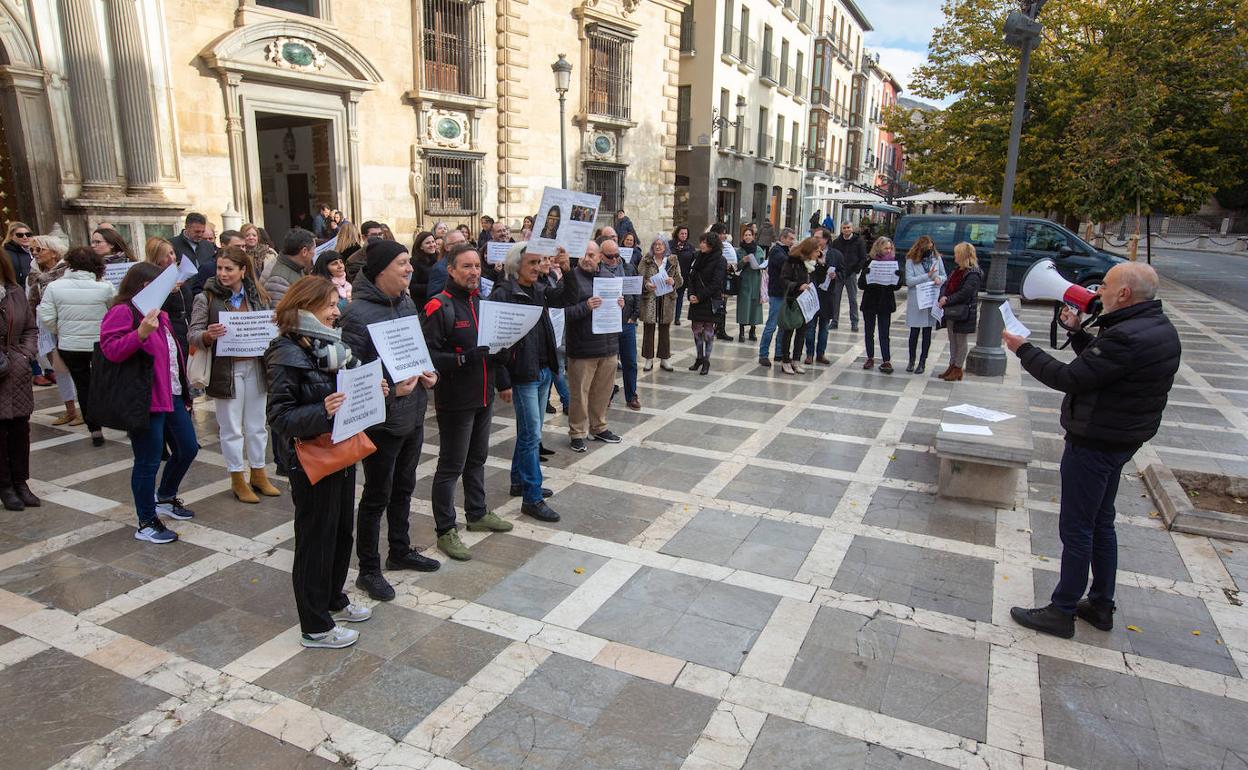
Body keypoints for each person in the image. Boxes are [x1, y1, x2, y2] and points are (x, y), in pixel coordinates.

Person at [1004, 262, 1180, 638]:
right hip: (1121, 437)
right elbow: (1108, 371)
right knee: (1101, 522)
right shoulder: (1156, 327)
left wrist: (1024, 349)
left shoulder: (1125, 336)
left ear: (1124, 294)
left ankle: (1062, 609)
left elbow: (1069, 378)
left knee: (1077, 527)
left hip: (1096, 440)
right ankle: (1101, 604)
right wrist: (1079, 334)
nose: (1098, 290)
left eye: (1106, 285)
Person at [266, 276, 377, 648]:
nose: (336, 311)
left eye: (336, 304)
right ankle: (314, 625)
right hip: (311, 458)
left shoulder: (331, 346)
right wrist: (322, 411)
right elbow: (280, 417)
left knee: (340, 531)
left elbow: (348, 389)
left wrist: (372, 389)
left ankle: (333, 599)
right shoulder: (286, 353)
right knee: (315, 540)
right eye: (330, 305)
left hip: (340, 452)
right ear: (307, 306)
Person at [341, 241, 441, 599]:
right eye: (402, 263)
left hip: (413, 413)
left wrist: (429, 374)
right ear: (381, 269)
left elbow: (415, 351)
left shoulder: (405, 301)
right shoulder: (357, 314)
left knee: (404, 488)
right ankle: (369, 568)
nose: (409, 269)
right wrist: (389, 392)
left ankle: (400, 550)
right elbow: (349, 376)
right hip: (382, 422)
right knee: (376, 495)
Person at [422, 243, 514, 560]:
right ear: (451, 270)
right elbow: (430, 355)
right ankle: (446, 530)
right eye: (466, 266)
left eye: (476, 266)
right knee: (451, 467)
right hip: (455, 400)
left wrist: (503, 358)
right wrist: (463, 359)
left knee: (477, 460)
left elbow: (489, 349)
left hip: (483, 396)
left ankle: (477, 514)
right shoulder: (439, 305)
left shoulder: (481, 302)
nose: (474, 272)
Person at [100, 263, 199, 543]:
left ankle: (165, 496)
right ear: (144, 286)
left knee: (188, 448)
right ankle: (146, 520)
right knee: (148, 461)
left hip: (173, 395)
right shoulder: (123, 312)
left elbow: (172, 356)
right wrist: (140, 333)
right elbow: (111, 351)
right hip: (145, 400)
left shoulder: (161, 315)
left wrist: (185, 393)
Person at [189, 246, 279, 503]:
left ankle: (259, 473)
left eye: (229, 269)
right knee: (231, 427)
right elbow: (193, 333)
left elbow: (268, 326)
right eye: (219, 268)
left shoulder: (258, 296)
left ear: (243, 270)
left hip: (255, 366)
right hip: (225, 370)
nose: (223, 273)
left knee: (257, 425)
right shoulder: (205, 297)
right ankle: (238, 477)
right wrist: (208, 335)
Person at [491, 244, 573, 523]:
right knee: (531, 435)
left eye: (540, 262)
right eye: (532, 263)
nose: (538, 267)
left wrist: (566, 268)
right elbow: (495, 342)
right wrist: (502, 381)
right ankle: (532, 497)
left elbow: (564, 298)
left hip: (542, 370)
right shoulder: (503, 293)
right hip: (522, 374)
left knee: (530, 430)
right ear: (516, 266)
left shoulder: (538, 289)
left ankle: (519, 482)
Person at [39, 246, 115, 447]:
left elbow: (45, 316)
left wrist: (61, 329)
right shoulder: (105, 288)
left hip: (70, 345)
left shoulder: (54, 287)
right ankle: (120, 421)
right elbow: (115, 314)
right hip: (100, 344)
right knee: (108, 382)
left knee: (83, 385)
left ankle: (95, 430)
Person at [562, 240, 625, 451]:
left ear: (599, 257)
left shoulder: (609, 278)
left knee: (603, 391)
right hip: (582, 348)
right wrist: (586, 306)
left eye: (591, 255)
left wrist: (620, 307)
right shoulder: (571, 279)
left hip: (608, 346)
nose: (587, 259)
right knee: (580, 393)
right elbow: (564, 314)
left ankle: (598, 427)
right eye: (584, 254)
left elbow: (619, 315)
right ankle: (577, 432)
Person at [0, 251, 38, 511]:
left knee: (20, 430)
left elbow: (30, 328)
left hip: (16, 370)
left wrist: (25, 353)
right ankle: (4, 486)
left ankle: (21, 482)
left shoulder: (14, 292)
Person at [28, 236, 79, 418]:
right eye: (32, 250)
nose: (35, 254)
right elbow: (31, 303)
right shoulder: (33, 275)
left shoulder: (69, 271)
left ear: (54, 252)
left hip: (70, 326)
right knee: (59, 369)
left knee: (78, 369)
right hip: (46, 328)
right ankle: (70, 410)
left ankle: (84, 410)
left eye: (39, 250)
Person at [598, 240, 640, 409]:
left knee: (630, 361)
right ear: (601, 256)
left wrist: (634, 315)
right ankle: (605, 395)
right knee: (608, 364)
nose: (615, 260)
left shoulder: (629, 268)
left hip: (626, 322)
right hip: (607, 324)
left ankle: (632, 395)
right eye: (610, 257)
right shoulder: (597, 271)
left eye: (617, 255)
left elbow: (636, 292)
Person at [936, 242, 984, 382]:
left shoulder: (973, 273)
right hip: (952, 311)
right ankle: (952, 365)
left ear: (962, 255)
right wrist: (943, 296)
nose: (954, 256)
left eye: (957, 253)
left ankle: (958, 368)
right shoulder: (958, 270)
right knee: (952, 340)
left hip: (963, 313)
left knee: (960, 341)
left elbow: (965, 293)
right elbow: (946, 284)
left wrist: (948, 299)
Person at [858, 236, 903, 373]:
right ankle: (870, 357)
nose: (888, 251)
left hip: (885, 302)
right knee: (869, 331)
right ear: (879, 248)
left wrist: (898, 277)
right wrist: (867, 274)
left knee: (884, 332)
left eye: (890, 248)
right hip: (870, 301)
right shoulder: (870, 262)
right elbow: (861, 285)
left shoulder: (893, 262)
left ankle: (886, 360)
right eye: (886, 248)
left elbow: (896, 287)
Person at [778, 237, 821, 375]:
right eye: (816, 250)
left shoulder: (813, 264)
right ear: (809, 250)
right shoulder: (793, 261)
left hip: (806, 302)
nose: (819, 253)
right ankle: (785, 361)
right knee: (789, 330)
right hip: (793, 300)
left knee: (802, 332)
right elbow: (784, 280)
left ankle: (796, 360)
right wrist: (798, 286)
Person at [903, 236, 946, 374]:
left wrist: (939, 279)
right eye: (927, 248)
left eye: (931, 248)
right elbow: (909, 281)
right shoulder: (911, 261)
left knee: (927, 332)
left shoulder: (937, 259)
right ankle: (911, 360)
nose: (929, 250)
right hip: (917, 300)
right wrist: (927, 275)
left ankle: (922, 362)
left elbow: (944, 275)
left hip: (930, 298)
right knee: (914, 332)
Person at [638, 235, 681, 372]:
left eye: (660, 244)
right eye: (655, 244)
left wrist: (673, 282)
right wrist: (646, 285)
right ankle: (648, 359)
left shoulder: (672, 260)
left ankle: (664, 358)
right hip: (650, 298)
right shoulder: (646, 260)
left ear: (665, 247)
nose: (658, 246)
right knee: (648, 329)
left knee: (664, 330)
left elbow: (680, 280)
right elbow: (639, 278)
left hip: (667, 298)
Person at [686, 232, 727, 376]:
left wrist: (699, 297)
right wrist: (691, 294)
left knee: (708, 333)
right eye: (701, 241)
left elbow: (716, 283)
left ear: (712, 244)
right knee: (696, 331)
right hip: (696, 300)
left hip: (709, 301)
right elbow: (691, 277)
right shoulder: (698, 257)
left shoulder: (720, 260)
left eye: (704, 242)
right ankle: (699, 358)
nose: (701, 244)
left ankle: (706, 361)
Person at [757, 227, 796, 367]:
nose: (793, 241)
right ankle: (763, 354)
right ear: (783, 238)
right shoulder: (776, 251)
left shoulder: (785, 250)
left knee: (784, 326)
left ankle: (779, 353)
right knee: (772, 325)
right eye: (790, 238)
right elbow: (787, 264)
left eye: (793, 238)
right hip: (777, 293)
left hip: (786, 293)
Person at [804, 227, 840, 365]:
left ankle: (821, 353)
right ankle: (809, 354)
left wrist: (836, 275)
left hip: (827, 295)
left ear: (826, 239)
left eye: (818, 237)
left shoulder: (835, 254)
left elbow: (842, 271)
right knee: (810, 326)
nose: (815, 239)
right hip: (812, 294)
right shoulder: (809, 253)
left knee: (824, 326)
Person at [264, 228, 315, 306]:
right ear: (304, 251)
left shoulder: (297, 267)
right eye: (313, 249)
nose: (314, 253)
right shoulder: (278, 280)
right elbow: (279, 314)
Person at [829, 221, 866, 331]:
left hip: (851, 274)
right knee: (835, 298)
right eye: (844, 228)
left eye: (848, 227)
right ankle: (834, 321)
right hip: (838, 274)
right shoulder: (836, 242)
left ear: (852, 228)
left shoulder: (859, 241)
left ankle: (854, 322)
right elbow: (832, 255)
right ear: (841, 229)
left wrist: (856, 270)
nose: (846, 230)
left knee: (853, 299)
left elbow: (863, 257)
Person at [736, 225, 764, 343]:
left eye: (749, 235)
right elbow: (737, 267)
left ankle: (753, 330)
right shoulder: (740, 250)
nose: (747, 237)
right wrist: (743, 261)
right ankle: (741, 331)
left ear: (753, 236)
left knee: (755, 306)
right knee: (743, 305)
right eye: (745, 235)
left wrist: (762, 265)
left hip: (756, 279)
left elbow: (763, 263)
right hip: (745, 280)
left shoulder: (759, 249)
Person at [425, 228, 467, 299]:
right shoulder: (440, 269)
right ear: (447, 247)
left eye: (463, 242)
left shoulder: (469, 262)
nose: (462, 246)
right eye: (457, 243)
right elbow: (434, 297)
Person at [670, 225, 694, 325]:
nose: (684, 235)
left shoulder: (690, 247)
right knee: (669, 297)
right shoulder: (670, 245)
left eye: (685, 234)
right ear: (677, 234)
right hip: (670, 276)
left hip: (683, 276)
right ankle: (668, 316)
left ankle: (677, 318)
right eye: (682, 233)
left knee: (679, 297)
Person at [4, 222, 34, 290]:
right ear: (11, 236)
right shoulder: (6, 255)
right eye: (20, 235)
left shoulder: (38, 250)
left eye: (28, 234)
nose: (25, 237)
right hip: (18, 293)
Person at [410, 231, 438, 301]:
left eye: (433, 241)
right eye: (428, 243)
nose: (432, 245)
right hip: (422, 301)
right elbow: (412, 286)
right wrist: (432, 286)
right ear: (421, 246)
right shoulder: (414, 262)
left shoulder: (439, 257)